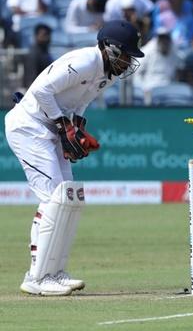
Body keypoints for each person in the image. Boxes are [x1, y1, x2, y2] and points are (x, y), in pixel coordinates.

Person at [4, 20, 144, 296]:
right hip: (28, 126)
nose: (128, 61)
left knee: (70, 199)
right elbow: (42, 91)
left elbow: (83, 99)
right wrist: (62, 124)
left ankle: (55, 272)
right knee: (53, 198)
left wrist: (77, 124)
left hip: (51, 128)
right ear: (109, 48)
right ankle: (37, 276)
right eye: (126, 53)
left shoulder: (110, 72)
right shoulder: (83, 61)